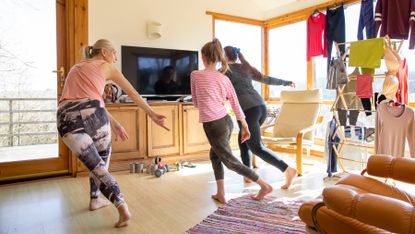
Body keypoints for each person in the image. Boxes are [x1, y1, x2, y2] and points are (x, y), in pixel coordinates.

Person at [57, 39, 169, 228]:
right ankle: (122, 206)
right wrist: (152, 114)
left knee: (95, 164)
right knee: (101, 163)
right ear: (104, 52)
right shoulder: (105, 66)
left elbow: (86, 101)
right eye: (114, 53)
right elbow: (132, 93)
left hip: (64, 116)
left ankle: (95, 199)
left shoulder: (76, 67)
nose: (115, 57)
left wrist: (115, 123)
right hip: (94, 113)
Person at [191, 38, 273, 204]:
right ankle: (220, 193)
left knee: (230, 162)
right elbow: (235, 104)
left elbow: (195, 102)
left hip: (213, 124)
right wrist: (245, 126)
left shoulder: (195, 75)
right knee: (215, 156)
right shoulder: (225, 78)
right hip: (227, 122)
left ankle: (264, 185)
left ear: (204, 57)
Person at [223, 46, 298, 189]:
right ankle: (247, 174)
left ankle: (288, 170)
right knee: (243, 140)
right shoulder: (245, 67)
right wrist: (285, 82)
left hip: (248, 110)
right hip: (260, 107)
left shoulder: (225, 71)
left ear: (223, 56)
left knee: (257, 147)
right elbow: (267, 79)